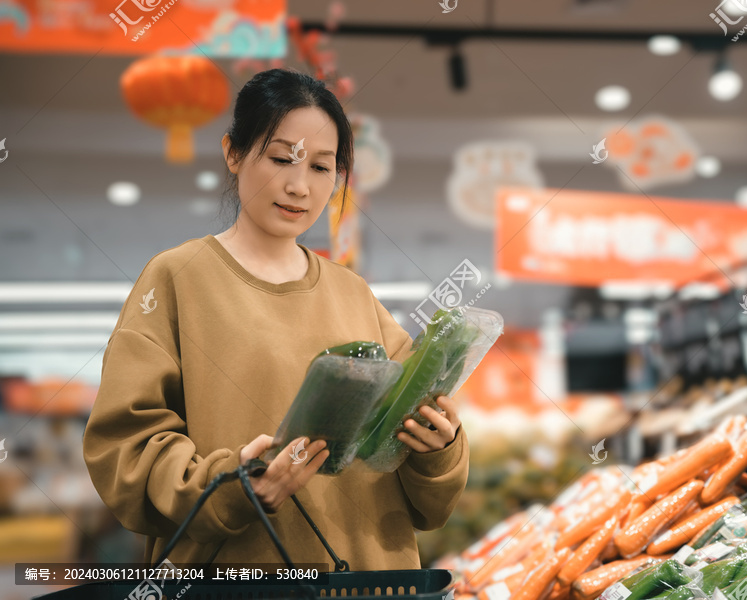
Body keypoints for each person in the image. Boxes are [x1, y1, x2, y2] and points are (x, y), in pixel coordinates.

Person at [82, 68, 469, 571]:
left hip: (370, 579)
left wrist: (439, 447)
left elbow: (427, 500)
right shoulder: (177, 279)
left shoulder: (352, 293)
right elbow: (125, 451)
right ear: (233, 152)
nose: (299, 186)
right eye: (282, 158)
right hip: (240, 577)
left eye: (321, 168)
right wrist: (231, 487)